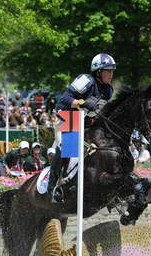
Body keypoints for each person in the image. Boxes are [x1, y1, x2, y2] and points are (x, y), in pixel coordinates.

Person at [48, 53, 117, 203]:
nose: (111, 74)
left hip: (86, 123)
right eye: (108, 70)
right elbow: (64, 99)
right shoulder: (86, 80)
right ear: (98, 71)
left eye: (112, 71)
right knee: (68, 149)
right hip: (67, 117)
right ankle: (53, 187)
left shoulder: (108, 90)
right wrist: (81, 103)